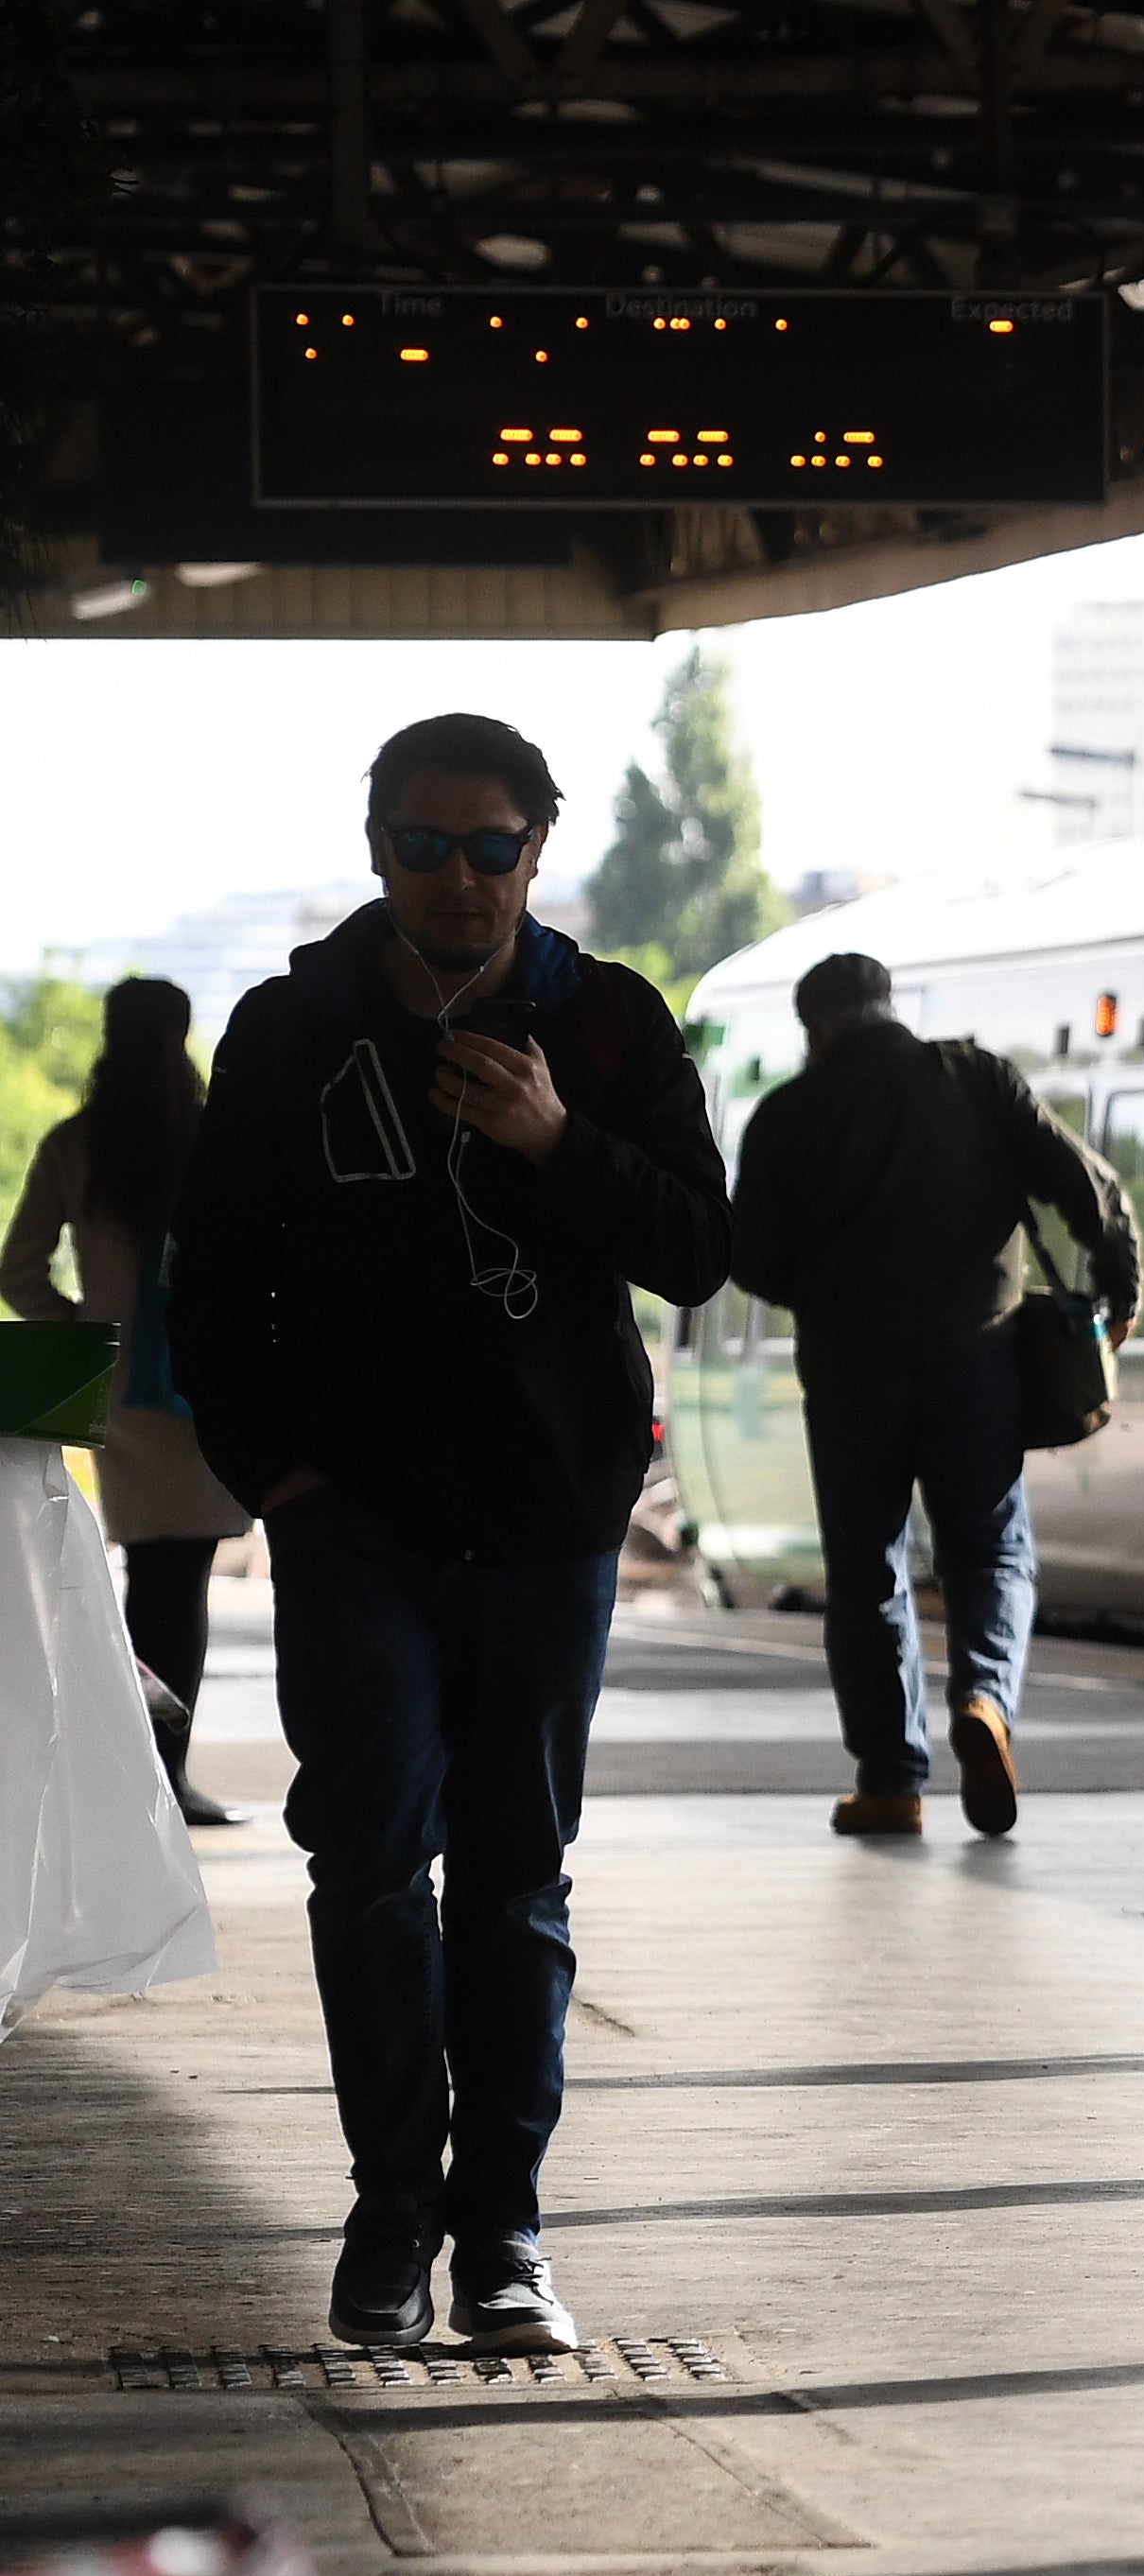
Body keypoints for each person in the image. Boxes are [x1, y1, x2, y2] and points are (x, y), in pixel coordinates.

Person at [166, 713, 732, 2359]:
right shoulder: (291, 1030)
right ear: (376, 853)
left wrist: (561, 1145)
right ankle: (390, 2214)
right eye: (428, 846)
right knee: (366, 1867)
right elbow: (215, 1283)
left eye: (492, 847)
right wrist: (276, 1476)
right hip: (358, 1530)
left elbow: (701, 1247)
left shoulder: (609, 1024)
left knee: (514, 1884)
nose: (461, 878)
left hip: (550, 1532)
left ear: (537, 852)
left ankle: (507, 2232)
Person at [728, 949, 1140, 1841]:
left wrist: (833, 1292)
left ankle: (889, 1782)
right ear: (890, 1008)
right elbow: (1085, 1185)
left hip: (847, 1373)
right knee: (989, 1549)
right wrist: (1119, 1284)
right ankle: (986, 1699)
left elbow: (749, 1258)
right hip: (977, 1361)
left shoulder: (788, 1116)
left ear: (815, 1030)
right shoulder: (973, 1078)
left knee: (868, 1568)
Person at [4, 976, 252, 1825]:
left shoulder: (79, 1145)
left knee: (152, 1577)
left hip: (121, 1393)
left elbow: (17, 1270)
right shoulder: (216, 1139)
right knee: (180, 1583)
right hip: (209, 1382)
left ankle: (141, 1778)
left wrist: (84, 1332)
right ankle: (160, 1778)